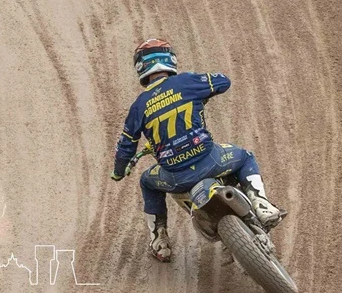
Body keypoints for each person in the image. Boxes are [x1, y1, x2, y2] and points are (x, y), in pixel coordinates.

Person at [111, 39, 286, 262]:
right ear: (169, 59)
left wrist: (118, 172)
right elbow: (224, 81)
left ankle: (159, 240)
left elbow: (125, 147)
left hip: (175, 177)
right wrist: (203, 92)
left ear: (140, 66)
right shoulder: (186, 81)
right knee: (245, 156)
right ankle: (261, 204)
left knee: (147, 181)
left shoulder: (138, 106)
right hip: (211, 160)